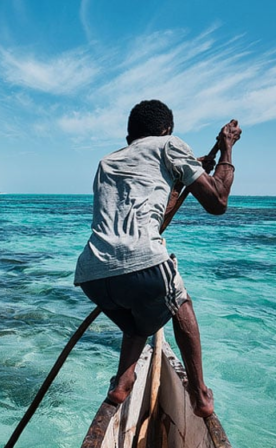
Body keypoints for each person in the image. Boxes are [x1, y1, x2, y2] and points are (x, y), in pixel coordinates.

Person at [74, 99, 240, 418]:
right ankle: (200, 393)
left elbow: (157, 206)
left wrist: (189, 168)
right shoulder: (170, 143)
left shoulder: (107, 161)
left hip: (91, 275)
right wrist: (228, 148)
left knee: (140, 317)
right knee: (180, 302)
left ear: (130, 135)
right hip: (142, 262)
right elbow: (218, 200)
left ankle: (123, 381)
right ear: (166, 130)